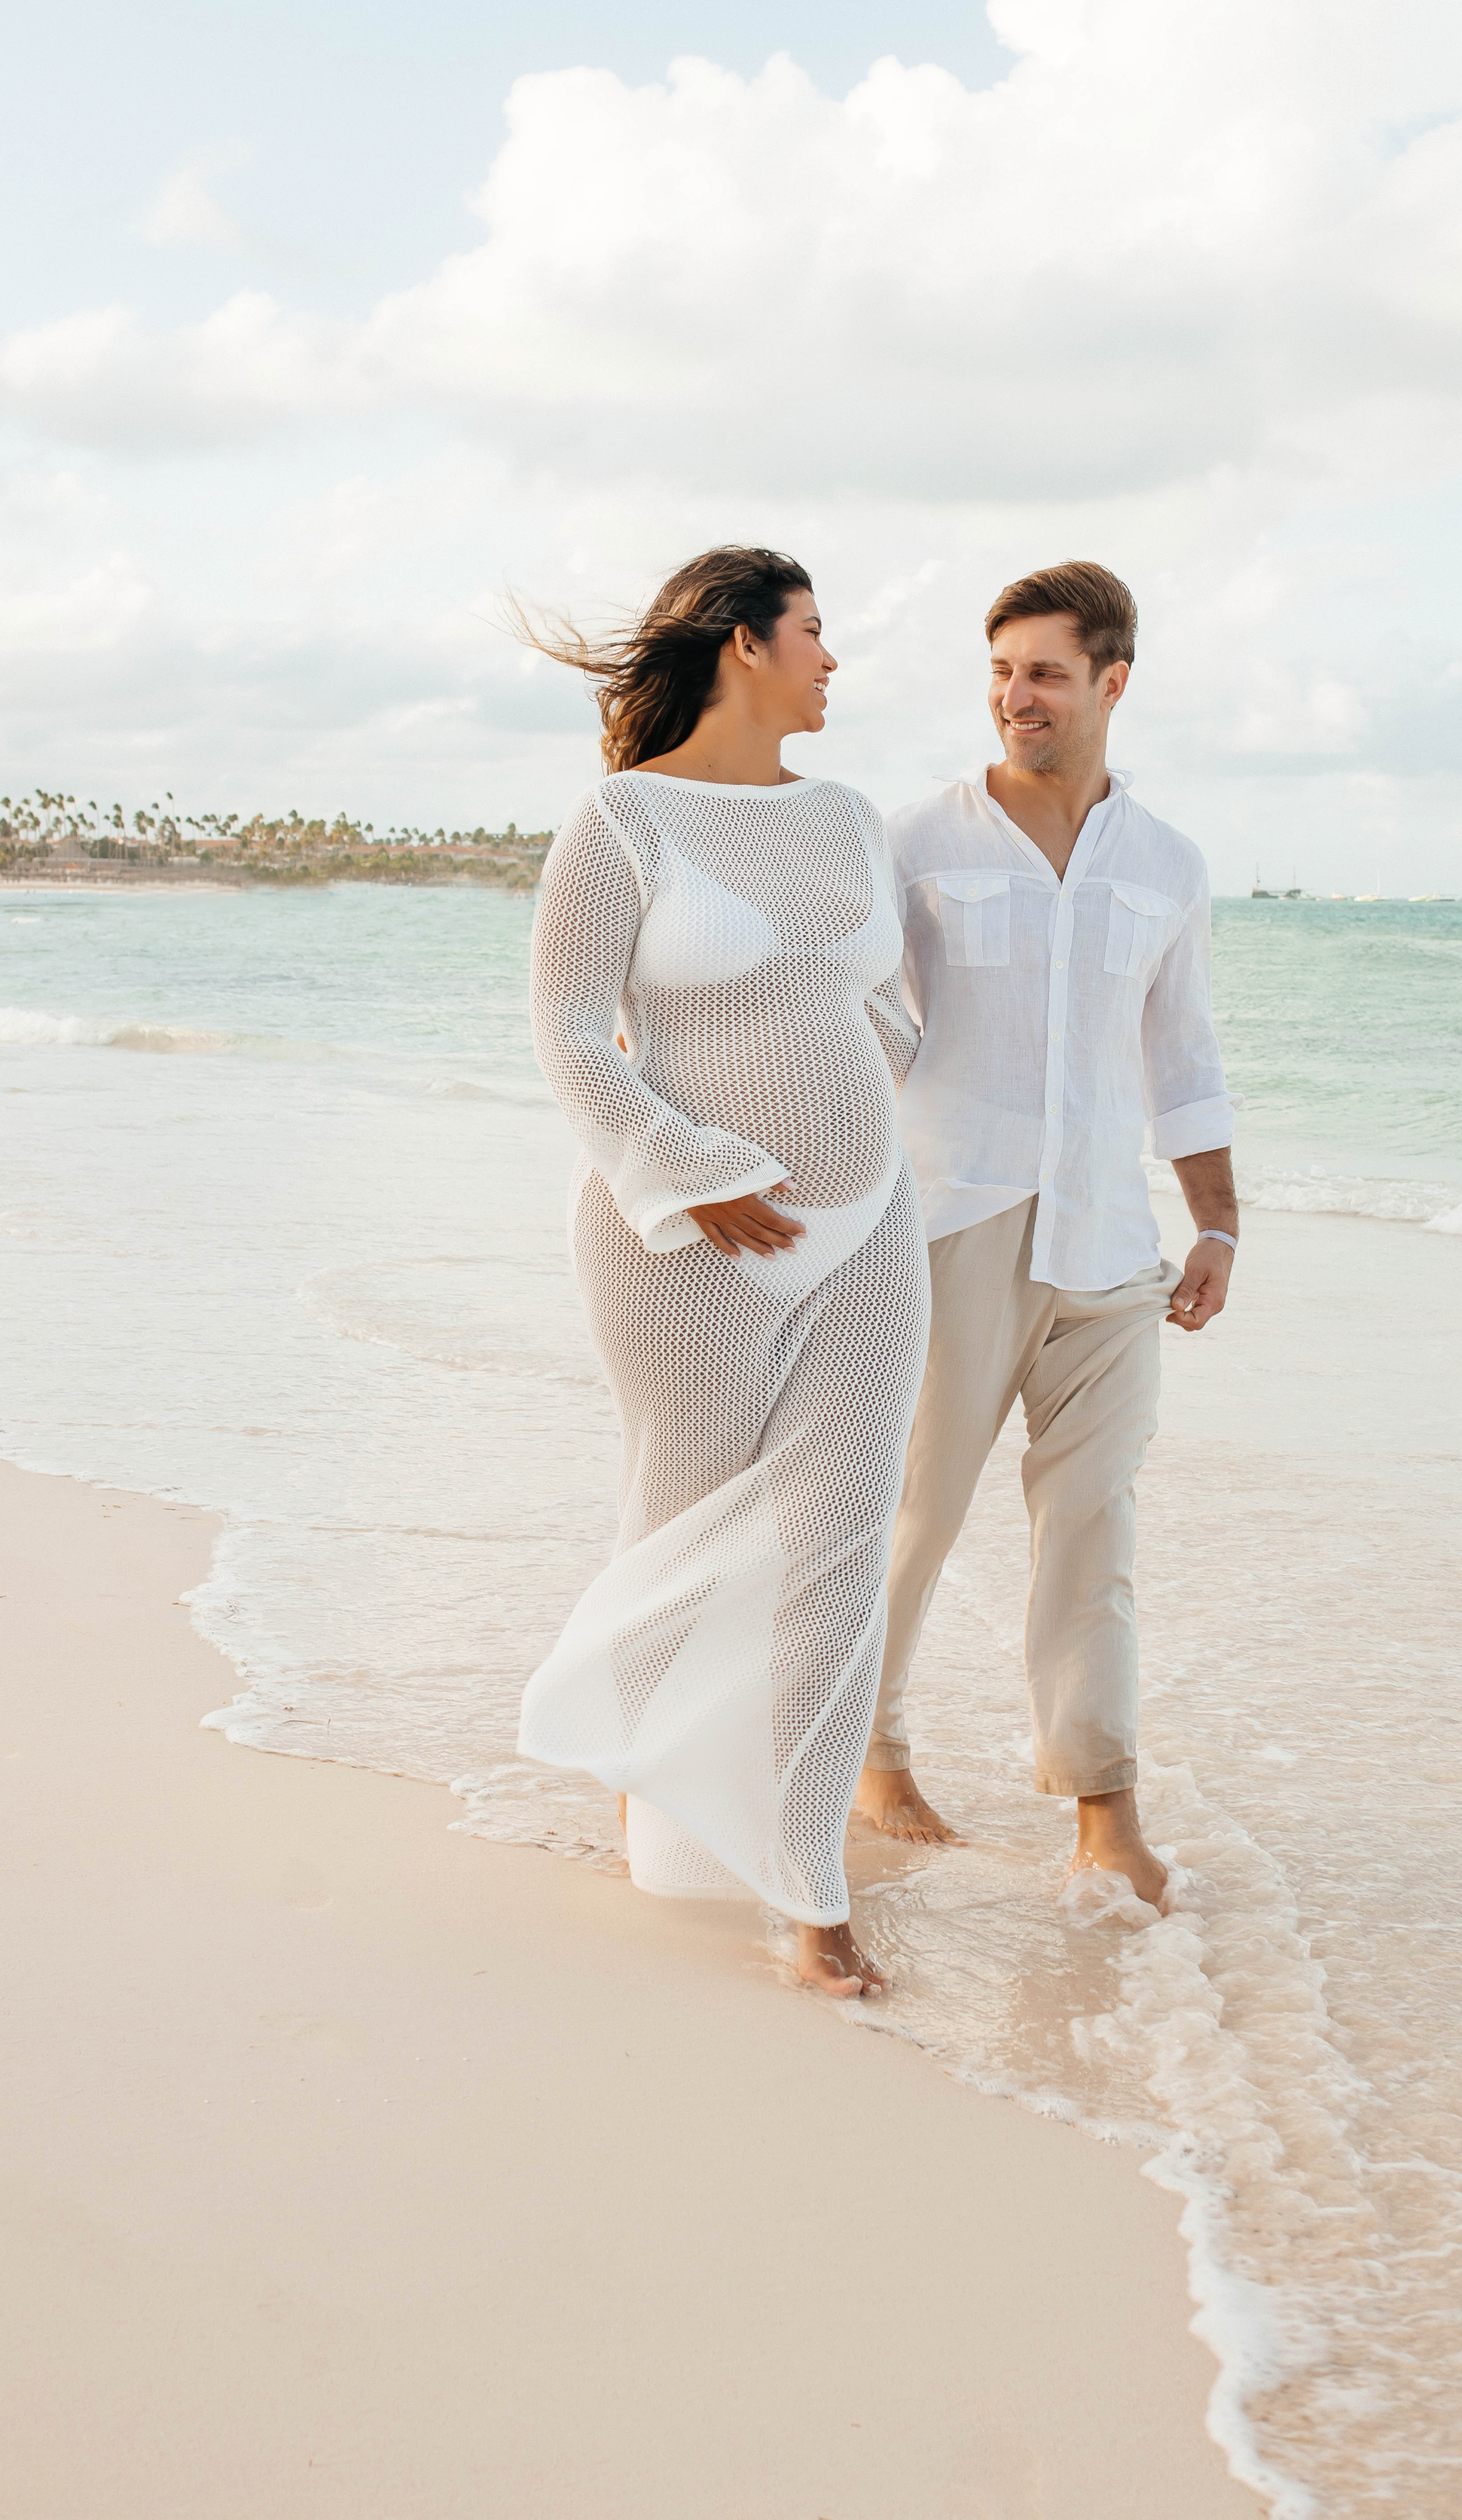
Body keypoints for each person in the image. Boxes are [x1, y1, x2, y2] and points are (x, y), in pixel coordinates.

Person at [516, 547, 929, 1999]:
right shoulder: (621, 822)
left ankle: (814, 1892)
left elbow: (884, 1011)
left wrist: (846, 1134)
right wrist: (705, 1171)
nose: (833, 662)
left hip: (870, 1234)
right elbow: (568, 1035)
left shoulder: (850, 819)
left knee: (836, 1559)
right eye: (816, 633)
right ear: (744, 645)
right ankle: (656, 1807)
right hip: (686, 1249)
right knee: (678, 1546)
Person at [853, 561, 1238, 1906]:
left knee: (1095, 1527)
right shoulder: (915, 842)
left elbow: (1182, 1052)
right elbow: (845, 1019)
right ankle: (871, 1753)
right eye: (1004, 672)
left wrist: (1219, 1227)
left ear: (1112, 683)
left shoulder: (1169, 863)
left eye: (1046, 673)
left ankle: (1102, 1808)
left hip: (1109, 1244)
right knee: (916, 1514)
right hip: (951, 1220)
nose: (1017, 697)